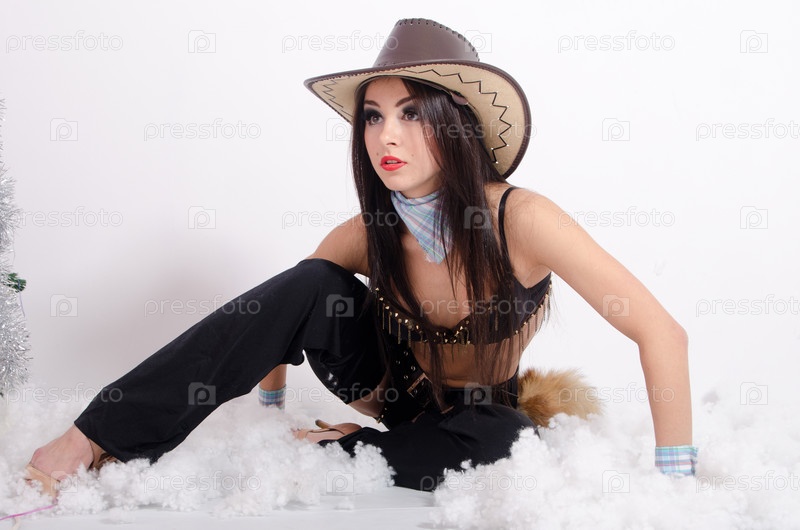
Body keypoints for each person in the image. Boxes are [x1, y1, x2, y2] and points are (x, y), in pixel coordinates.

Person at [24, 18, 696, 499]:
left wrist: (677, 482)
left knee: (504, 440)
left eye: (411, 113)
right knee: (315, 279)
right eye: (373, 116)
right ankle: (93, 437)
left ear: (457, 123)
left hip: (480, 418)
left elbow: (661, 332)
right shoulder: (369, 231)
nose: (385, 136)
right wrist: (270, 408)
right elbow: (280, 314)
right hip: (393, 395)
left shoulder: (521, 219)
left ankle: (353, 451)